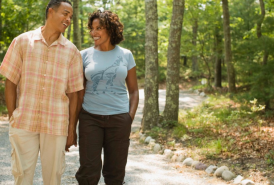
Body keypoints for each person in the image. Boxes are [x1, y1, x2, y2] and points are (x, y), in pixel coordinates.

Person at [0, 0, 84, 184]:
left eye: (71, 16)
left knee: (53, 178)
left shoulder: (72, 52)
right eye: (65, 13)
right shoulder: (22, 41)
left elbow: (74, 93)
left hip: (56, 124)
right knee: (22, 176)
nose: (68, 19)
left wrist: (71, 129)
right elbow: (11, 81)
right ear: (51, 12)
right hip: (24, 121)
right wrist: (13, 115)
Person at [75, 10, 139, 185]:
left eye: (99, 28)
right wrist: (73, 123)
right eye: (92, 28)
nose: (93, 33)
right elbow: (79, 91)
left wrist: (129, 118)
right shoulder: (83, 55)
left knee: (115, 172)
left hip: (119, 119)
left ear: (110, 29)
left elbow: (133, 90)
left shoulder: (126, 55)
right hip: (90, 118)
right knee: (88, 170)